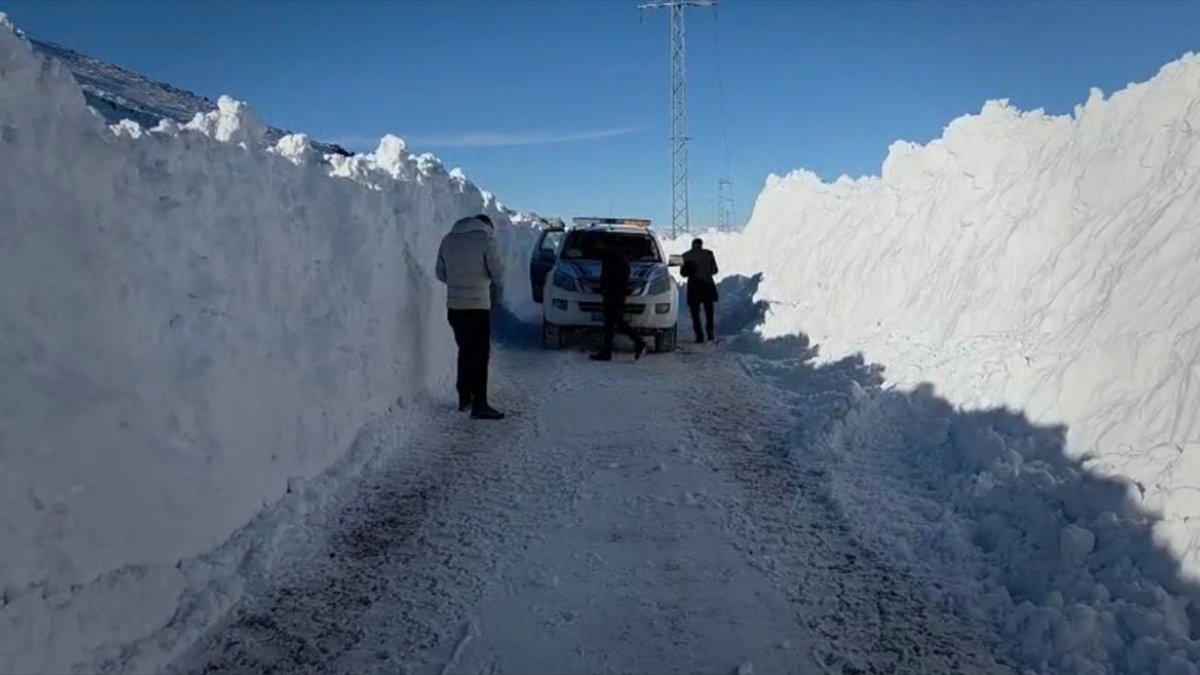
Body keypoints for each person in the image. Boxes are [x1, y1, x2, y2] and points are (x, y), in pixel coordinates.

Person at [435, 214, 505, 420]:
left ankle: (464, 398)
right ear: (487, 226)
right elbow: (498, 273)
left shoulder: (448, 239)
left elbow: (440, 273)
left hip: (454, 307)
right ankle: (480, 404)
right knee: (480, 355)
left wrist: (457, 282)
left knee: (465, 351)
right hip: (478, 307)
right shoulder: (486, 241)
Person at [591, 240, 647, 362]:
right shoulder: (618, 258)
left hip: (613, 293)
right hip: (616, 293)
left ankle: (637, 342)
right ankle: (609, 350)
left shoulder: (611, 258)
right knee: (614, 322)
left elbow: (610, 276)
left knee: (613, 322)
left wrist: (606, 288)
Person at [680, 237, 719, 343]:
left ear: (692, 245)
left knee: (695, 313)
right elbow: (715, 270)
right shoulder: (708, 254)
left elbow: (683, 274)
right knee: (709, 311)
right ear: (701, 244)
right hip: (707, 286)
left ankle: (699, 335)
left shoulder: (685, 255)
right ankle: (710, 332)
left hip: (694, 287)